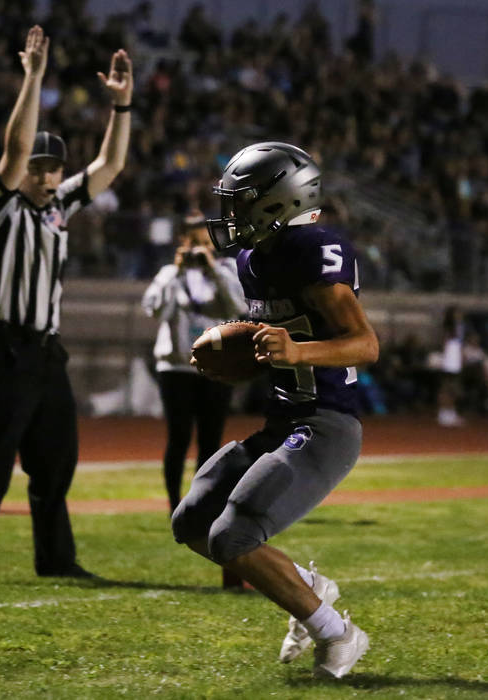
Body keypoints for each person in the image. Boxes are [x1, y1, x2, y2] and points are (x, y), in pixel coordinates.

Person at [0, 26, 133, 582]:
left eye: (52, 168)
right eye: (37, 169)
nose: (44, 176)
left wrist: (122, 105)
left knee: (55, 463)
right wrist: (34, 77)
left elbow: (109, 167)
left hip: (45, 350)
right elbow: (15, 149)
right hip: (2, 347)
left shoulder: (58, 206)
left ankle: (57, 560)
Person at [171, 142, 380, 678]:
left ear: (277, 202)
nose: (231, 214)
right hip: (283, 420)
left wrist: (297, 351)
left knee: (233, 536)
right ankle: (308, 590)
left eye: (241, 201)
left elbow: (365, 344)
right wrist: (244, 352)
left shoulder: (315, 247)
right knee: (193, 520)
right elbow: (275, 337)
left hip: (327, 422)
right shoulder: (252, 257)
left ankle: (338, 632)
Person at [141, 212, 247, 514]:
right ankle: (174, 503)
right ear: (182, 242)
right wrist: (176, 271)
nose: (200, 248)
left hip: (216, 367)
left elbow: (238, 308)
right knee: (178, 438)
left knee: (211, 439)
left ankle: (202, 502)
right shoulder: (168, 274)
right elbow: (153, 310)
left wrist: (213, 270)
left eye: (205, 242)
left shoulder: (225, 270)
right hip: (176, 368)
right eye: (194, 242)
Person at [436, 305, 466, 426]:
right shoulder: (448, 328)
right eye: (456, 313)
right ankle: (444, 413)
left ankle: (450, 412)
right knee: (447, 387)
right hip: (450, 359)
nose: (459, 315)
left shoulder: (459, 327)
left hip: (455, 359)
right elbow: (445, 344)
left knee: (453, 388)